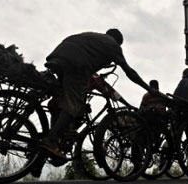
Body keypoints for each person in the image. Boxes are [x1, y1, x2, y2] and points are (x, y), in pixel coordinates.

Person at [42, 29, 156, 158]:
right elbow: (129, 73)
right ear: (118, 42)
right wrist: (148, 88)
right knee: (73, 105)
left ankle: (55, 136)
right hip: (75, 64)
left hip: (58, 55)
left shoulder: (93, 38)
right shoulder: (113, 45)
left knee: (63, 98)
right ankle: (51, 139)